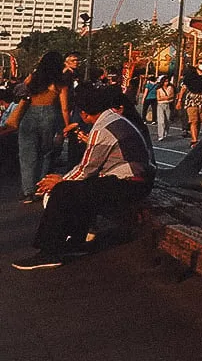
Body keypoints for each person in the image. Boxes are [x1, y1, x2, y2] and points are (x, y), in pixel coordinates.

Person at [11, 83, 155, 270]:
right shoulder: (112, 120)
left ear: (85, 113)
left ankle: (48, 251)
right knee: (81, 189)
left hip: (131, 184)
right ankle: (76, 242)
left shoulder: (103, 128)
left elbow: (87, 168)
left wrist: (60, 181)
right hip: (136, 180)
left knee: (64, 191)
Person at [16, 51, 72, 204]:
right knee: (45, 152)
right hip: (50, 115)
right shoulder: (60, 82)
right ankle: (41, 187)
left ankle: (28, 191)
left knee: (27, 153)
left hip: (30, 114)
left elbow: (20, 90)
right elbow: (64, 108)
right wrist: (66, 127)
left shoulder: (34, 78)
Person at [177, 63, 202, 147]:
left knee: (199, 121)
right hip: (192, 98)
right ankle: (194, 140)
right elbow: (183, 88)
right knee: (193, 120)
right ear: (197, 65)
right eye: (201, 63)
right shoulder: (190, 75)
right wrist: (179, 100)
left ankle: (195, 137)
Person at [154, 74, 174, 141]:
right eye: (165, 81)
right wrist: (167, 97)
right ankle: (160, 135)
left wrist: (165, 98)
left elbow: (172, 95)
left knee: (167, 120)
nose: (166, 83)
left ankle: (166, 132)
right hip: (160, 105)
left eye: (167, 81)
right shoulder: (159, 89)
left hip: (168, 105)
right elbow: (158, 98)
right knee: (161, 120)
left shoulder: (170, 88)